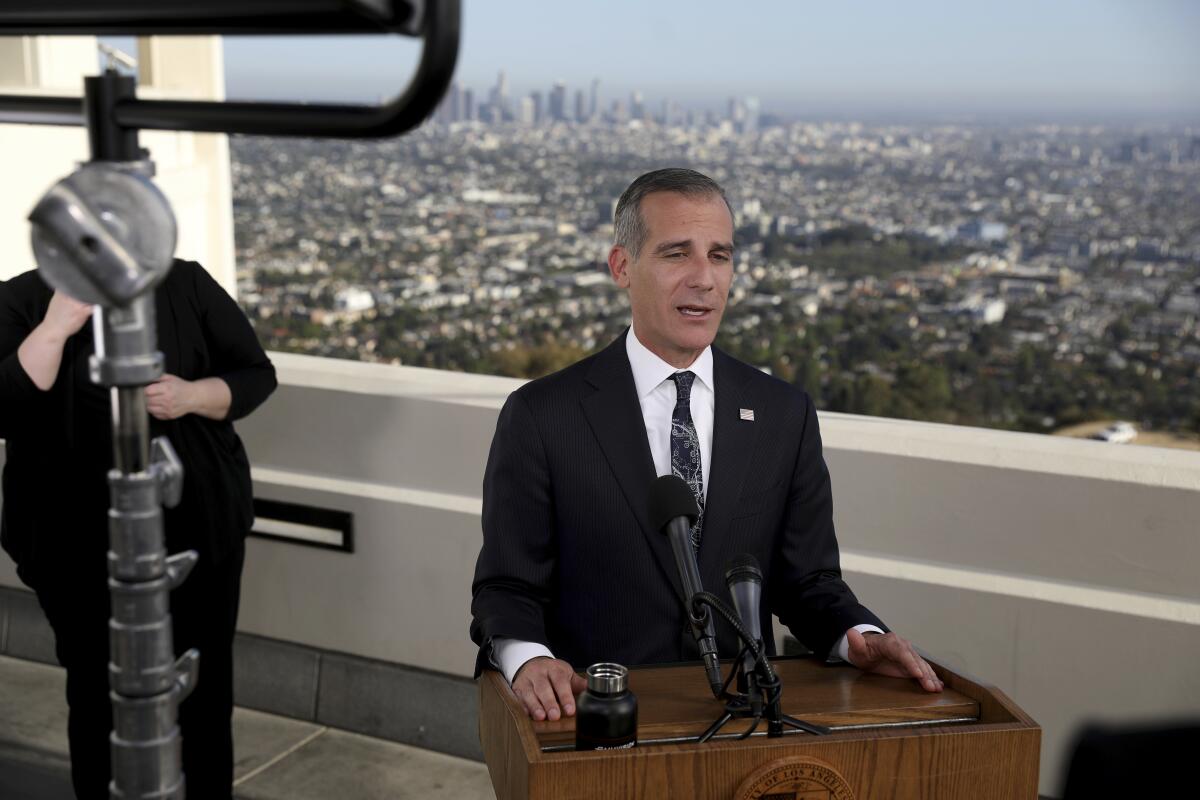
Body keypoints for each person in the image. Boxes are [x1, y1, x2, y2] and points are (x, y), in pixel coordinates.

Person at [470, 168, 942, 722]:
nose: (704, 278)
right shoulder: (544, 415)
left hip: (745, 722)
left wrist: (855, 634)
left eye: (720, 255)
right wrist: (529, 661)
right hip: (597, 721)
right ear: (622, 266)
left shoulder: (783, 414)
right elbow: (507, 585)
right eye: (677, 254)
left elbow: (808, 581)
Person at [0, 259, 277, 799]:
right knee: (96, 692)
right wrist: (55, 328)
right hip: (71, 542)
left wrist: (191, 395)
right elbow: (3, 408)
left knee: (205, 692)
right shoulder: (23, 299)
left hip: (199, 529)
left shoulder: (186, 283)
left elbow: (255, 375)